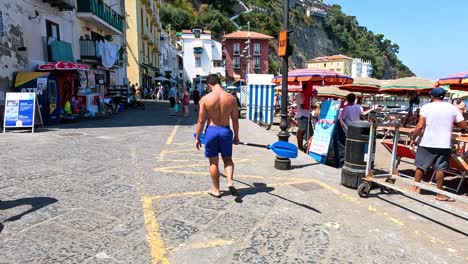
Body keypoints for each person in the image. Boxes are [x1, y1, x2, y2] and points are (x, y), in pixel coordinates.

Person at [410, 88, 467, 201]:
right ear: (443, 96)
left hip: (427, 142)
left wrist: (413, 138)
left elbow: (420, 126)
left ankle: (415, 188)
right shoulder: (452, 108)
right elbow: (463, 125)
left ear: (432, 96)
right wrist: (452, 122)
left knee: (421, 166)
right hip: (444, 143)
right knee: (440, 168)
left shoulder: (427, 107)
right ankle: (439, 194)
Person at [195, 74, 240, 198]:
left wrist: (197, 137)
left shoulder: (205, 99)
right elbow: (235, 120)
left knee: (213, 162)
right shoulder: (231, 98)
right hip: (225, 131)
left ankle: (216, 190)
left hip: (212, 131)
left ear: (209, 85)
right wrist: (236, 136)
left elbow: (201, 121)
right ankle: (230, 181)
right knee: (228, 159)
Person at [295, 85, 310, 152]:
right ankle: (300, 147)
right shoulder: (301, 95)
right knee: (301, 131)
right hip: (302, 115)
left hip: (303, 115)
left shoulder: (302, 95)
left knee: (301, 132)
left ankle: (300, 146)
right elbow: (302, 106)